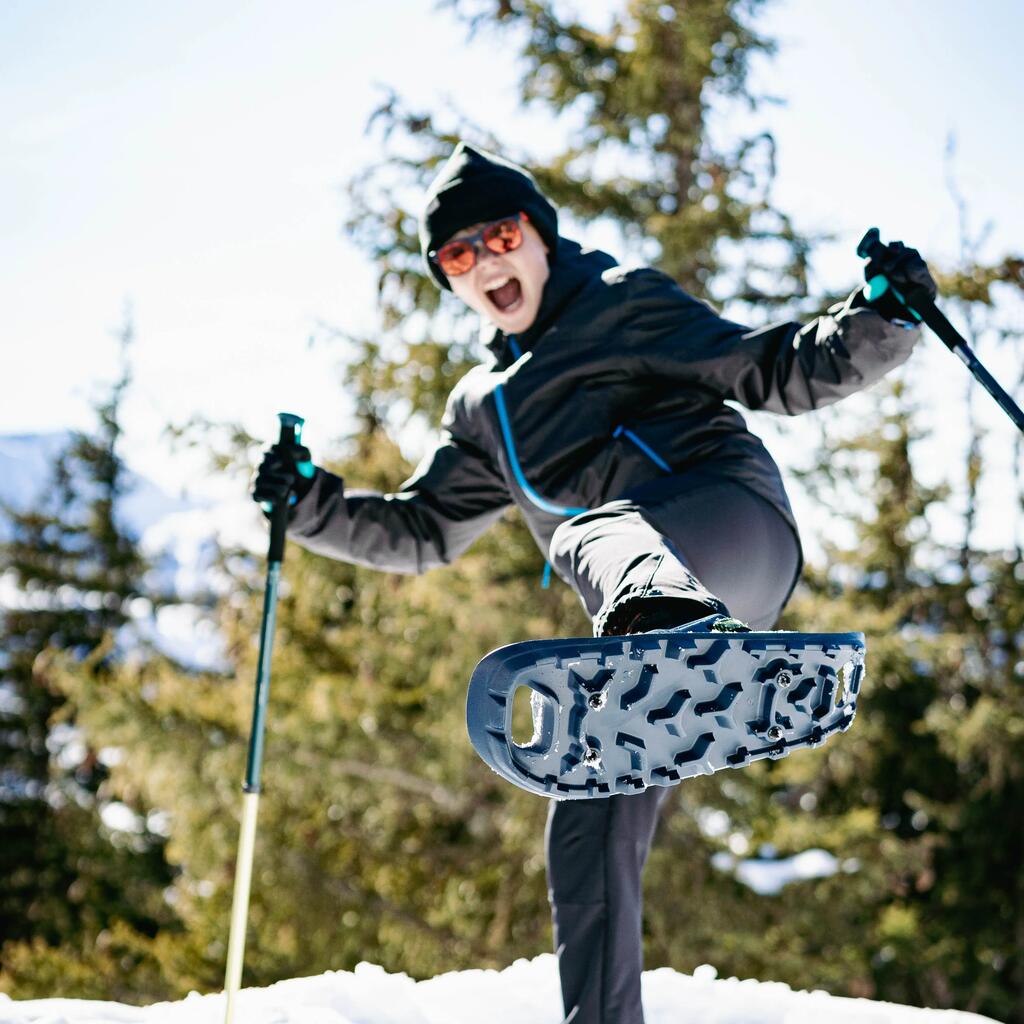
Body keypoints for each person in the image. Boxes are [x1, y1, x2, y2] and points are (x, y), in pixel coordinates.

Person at [253, 141, 936, 1024]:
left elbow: (772, 369)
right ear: (450, 280)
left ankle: (678, 629)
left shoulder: (623, 305)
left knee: (596, 528)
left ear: (539, 236)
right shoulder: (486, 407)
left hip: (733, 531)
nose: (486, 262)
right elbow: (421, 531)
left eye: (499, 234)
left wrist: (884, 318)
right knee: (586, 806)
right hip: (640, 629)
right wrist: (307, 504)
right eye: (458, 255)